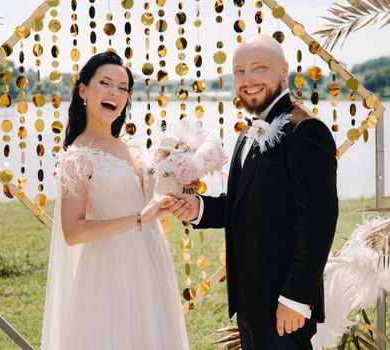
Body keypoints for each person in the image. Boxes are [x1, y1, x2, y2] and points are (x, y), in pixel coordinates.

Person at [168, 35, 339, 349]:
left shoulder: (305, 130)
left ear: (283, 70)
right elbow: (246, 204)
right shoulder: (250, 130)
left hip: (283, 303)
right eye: (240, 71)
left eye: (259, 68)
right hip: (250, 302)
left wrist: (297, 297)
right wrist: (200, 208)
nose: (248, 80)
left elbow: (320, 220)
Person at [41, 51, 189, 350]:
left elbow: (147, 202)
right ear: (83, 90)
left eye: (122, 88)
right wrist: (138, 218)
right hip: (110, 270)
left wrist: (178, 184)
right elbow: (73, 232)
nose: (114, 93)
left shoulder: (130, 146)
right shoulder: (77, 157)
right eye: (105, 83)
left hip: (150, 260)